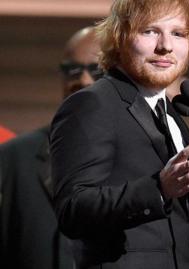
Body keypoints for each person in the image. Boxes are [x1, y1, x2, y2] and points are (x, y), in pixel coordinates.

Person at [49, 1, 189, 268]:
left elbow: (171, 237)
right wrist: (158, 188)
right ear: (119, 38)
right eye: (149, 31)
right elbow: (73, 210)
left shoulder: (171, 114)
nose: (165, 46)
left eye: (178, 34)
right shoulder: (92, 103)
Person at [0, 26, 100, 269]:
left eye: (97, 70)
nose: (83, 80)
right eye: (72, 70)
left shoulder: (147, 156)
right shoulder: (14, 157)